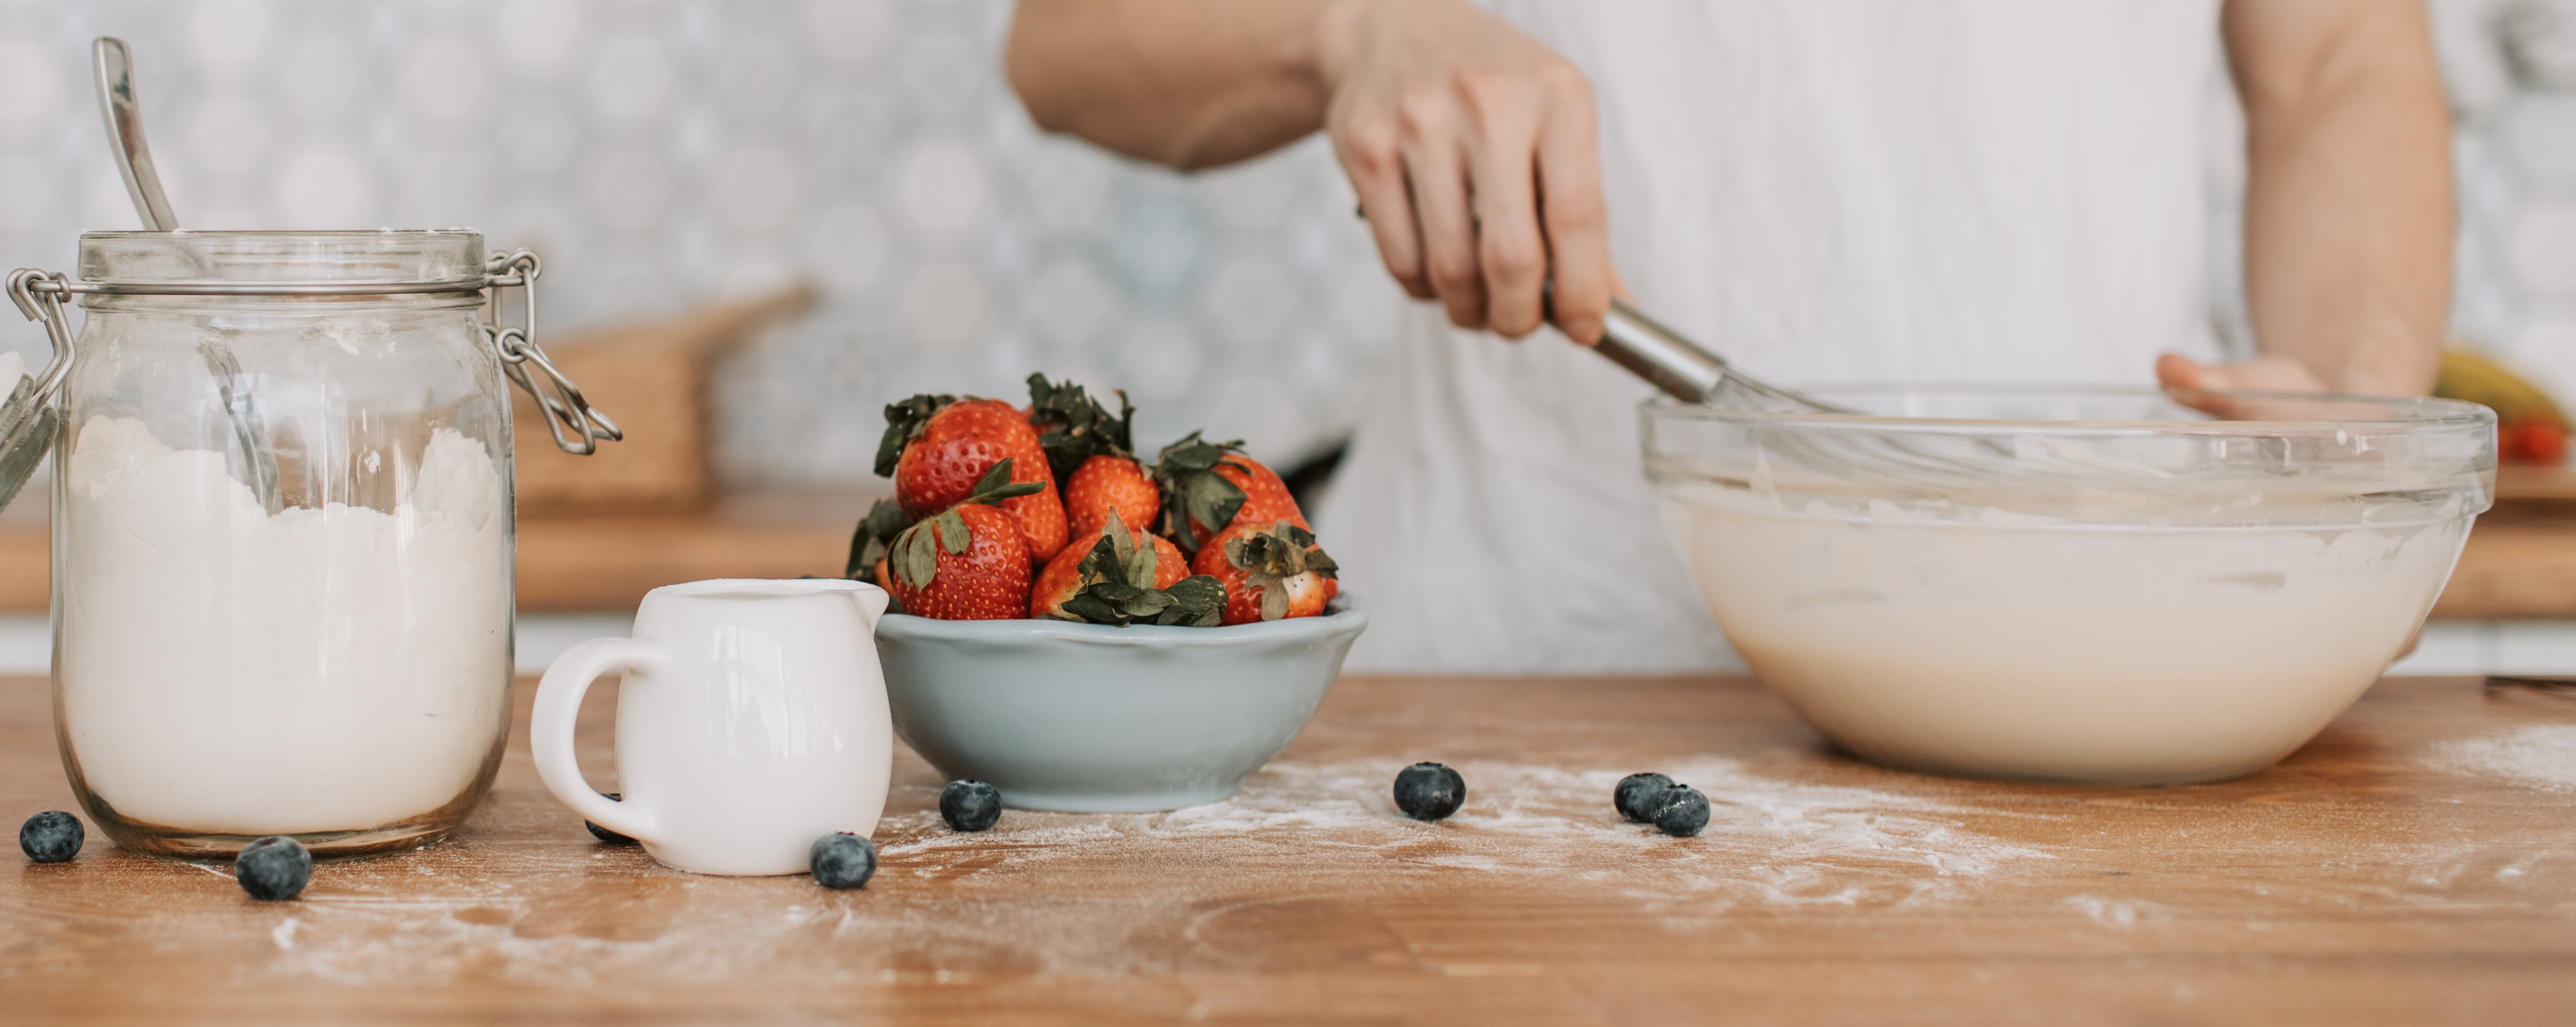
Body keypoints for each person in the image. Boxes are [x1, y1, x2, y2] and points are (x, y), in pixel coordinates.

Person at [1005, 0, 2452, 673]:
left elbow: (2337, 57)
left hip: (2103, 659)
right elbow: (1067, 42)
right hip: (1515, 687)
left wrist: (2357, 413)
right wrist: (1350, 27)